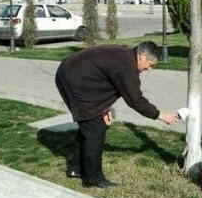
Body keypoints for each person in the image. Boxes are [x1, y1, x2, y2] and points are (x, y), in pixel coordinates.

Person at [54, 41, 180, 189]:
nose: (149, 69)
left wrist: (103, 108)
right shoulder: (127, 67)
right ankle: (93, 178)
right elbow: (136, 101)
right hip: (72, 78)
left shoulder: (125, 56)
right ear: (143, 55)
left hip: (71, 72)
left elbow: (103, 82)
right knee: (95, 128)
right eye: (150, 64)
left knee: (89, 125)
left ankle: (76, 168)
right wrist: (161, 115)